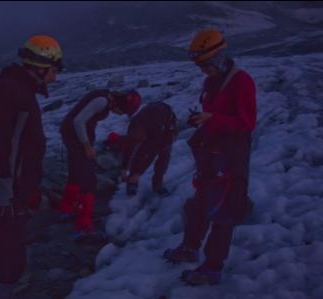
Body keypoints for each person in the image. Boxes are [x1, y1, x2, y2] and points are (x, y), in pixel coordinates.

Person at [0, 35, 63, 298]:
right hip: (9, 195)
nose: (54, 78)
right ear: (40, 67)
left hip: (14, 192)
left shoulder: (19, 90)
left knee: (6, 248)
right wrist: (3, 196)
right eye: (53, 71)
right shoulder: (12, 92)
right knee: (12, 255)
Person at [163, 28, 257, 286]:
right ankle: (190, 246)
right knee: (200, 202)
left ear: (217, 57)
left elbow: (246, 123)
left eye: (205, 64)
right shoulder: (212, 82)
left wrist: (213, 119)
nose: (202, 70)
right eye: (200, 65)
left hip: (231, 156)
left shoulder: (241, 81)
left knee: (223, 208)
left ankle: (213, 267)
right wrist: (204, 121)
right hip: (212, 152)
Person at [58, 89, 141, 241]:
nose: (121, 114)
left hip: (72, 136)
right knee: (89, 181)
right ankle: (83, 227)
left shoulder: (107, 98)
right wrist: (87, 145)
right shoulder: (102, 101)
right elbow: (78, 121)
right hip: (76, 139)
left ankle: (66, 210)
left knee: (75, 175)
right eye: (123, 111)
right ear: (121, 104)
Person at [112, 102, 177, 197]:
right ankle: (132, 182)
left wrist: (138, 173)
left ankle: (157, 184)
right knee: (141, 152)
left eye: (141, 139)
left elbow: (153, 152)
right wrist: (124, 168)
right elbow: (129, 148)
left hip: (166, 128)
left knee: (164, 154)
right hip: (149, 122)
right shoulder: (134, 125)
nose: (139, 141)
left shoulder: (156, 128)